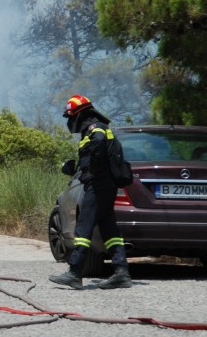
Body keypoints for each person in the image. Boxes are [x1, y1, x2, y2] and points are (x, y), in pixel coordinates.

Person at [49, 94, 132, 290]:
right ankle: (121, 272)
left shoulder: (95, 130)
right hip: (105, 186)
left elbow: (98, 148)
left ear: (79, 115)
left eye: (70, 117)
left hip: (98, 185)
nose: (70, 122)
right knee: (110, 230)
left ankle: (75, 272)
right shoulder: (94, 130)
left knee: (83, 228)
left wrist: (92, 174)